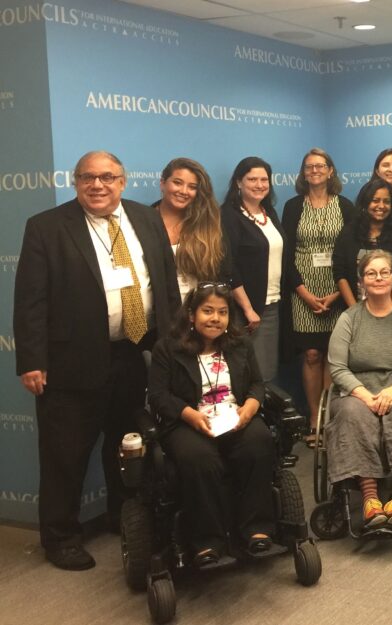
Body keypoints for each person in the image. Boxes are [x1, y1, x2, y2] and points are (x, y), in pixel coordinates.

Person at [14, 151, 178, 570]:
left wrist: (174, 345)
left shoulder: (146, 218)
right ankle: (60, 537)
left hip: (134, 353)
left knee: (126, 443)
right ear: (76, 183)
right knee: (65, 453)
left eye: (106, 177)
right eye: (87, 177)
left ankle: (122, 515)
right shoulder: (47, 227)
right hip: (71, 361)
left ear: (122, 181)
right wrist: (32, 360)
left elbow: (165, 283)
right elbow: (30, 300)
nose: (97, 185)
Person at [147, 283, 276, 565]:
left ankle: (256, 528)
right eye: (208, 311)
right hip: (188, 421)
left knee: (259, 442)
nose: (215, 318)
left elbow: (256, 383)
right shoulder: (167, 348)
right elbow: (158, 396)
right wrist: (189, 415)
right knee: (200, 458)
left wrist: (251, 406)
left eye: (222, 312)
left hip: (234, 415)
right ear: (191, 315)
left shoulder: (240, 344)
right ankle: (207, 540)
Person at [326, 250, 392, 529]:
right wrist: (365, 395)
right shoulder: (349, 319)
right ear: (361, 280)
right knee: (352, 412)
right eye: (371, 273)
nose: (378, 278)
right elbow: (337, 367)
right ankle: (371, 498)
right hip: (357, 389)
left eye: (384, 272)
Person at [281, 148, 357, 446]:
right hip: (303, 290)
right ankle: (314, 417)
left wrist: (338, 294)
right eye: (309, 166)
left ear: (330, 171)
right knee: (312, 354)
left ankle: (329, 418)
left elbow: (352, 253)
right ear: (303, 172)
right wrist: (303, 292)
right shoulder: (292, 207)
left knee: (333, 355)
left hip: (338, 288)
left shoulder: (345, 206)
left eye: (320, 166)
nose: (314, 171)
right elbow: (286, 254)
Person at [221, 156, 284, 382]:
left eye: (264, 180)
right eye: (252, 179)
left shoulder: (269, 212)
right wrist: (248, 309)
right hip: (245, 312)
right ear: (239, 182)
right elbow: (228, 266)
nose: (259, 185)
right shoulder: (228, 215)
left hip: (271, 304)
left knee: (267, 373)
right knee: (248, 375)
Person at [155, 157, 236, 302]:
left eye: (192, 187)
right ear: (162, 183)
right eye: (177, 183)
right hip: (157, 309)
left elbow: (224, 272)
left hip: (198, 309)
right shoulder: (143, 221)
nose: (184, 191)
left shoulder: (209, 225)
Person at [332, 177, 392, 305]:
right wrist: (355, 310)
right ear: (365, 203)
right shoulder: (349, 233)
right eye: (375, 200)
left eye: (386, 201)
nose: (381, 206)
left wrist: (387, 308)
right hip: (354, 308)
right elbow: (339, 273)